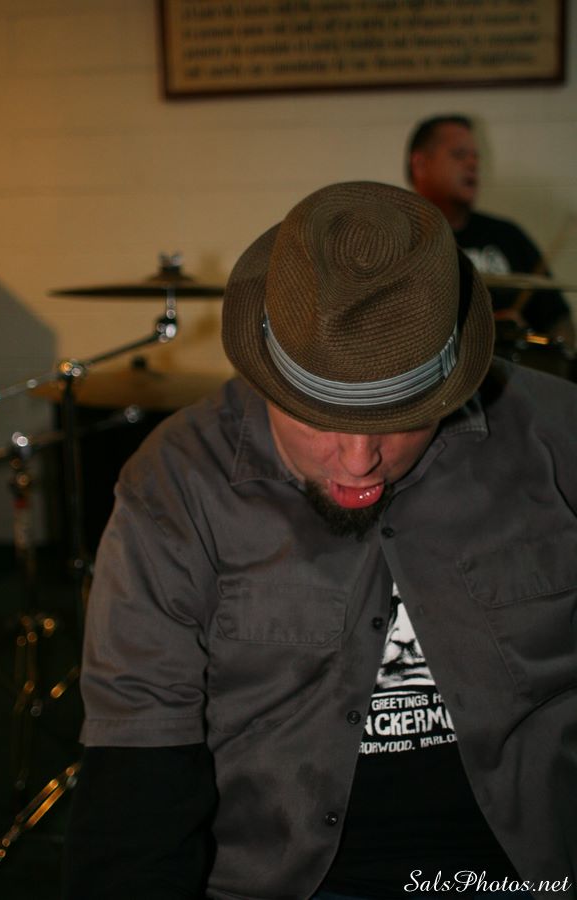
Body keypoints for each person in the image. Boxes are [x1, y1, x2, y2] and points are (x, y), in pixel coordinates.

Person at [62, 182, 577, 900]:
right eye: (321, 418)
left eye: (401, 419)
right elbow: (139, 769)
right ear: (268, 378)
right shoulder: (176, 485)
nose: (360, 461)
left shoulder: (557, 438)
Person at [406, 114, 575, 347]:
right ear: (420, 164)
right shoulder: (395, 241)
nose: (473, 164)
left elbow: (559, 322)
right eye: (459, 155)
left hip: (508, 368)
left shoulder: (507, 236)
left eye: (476, 157)